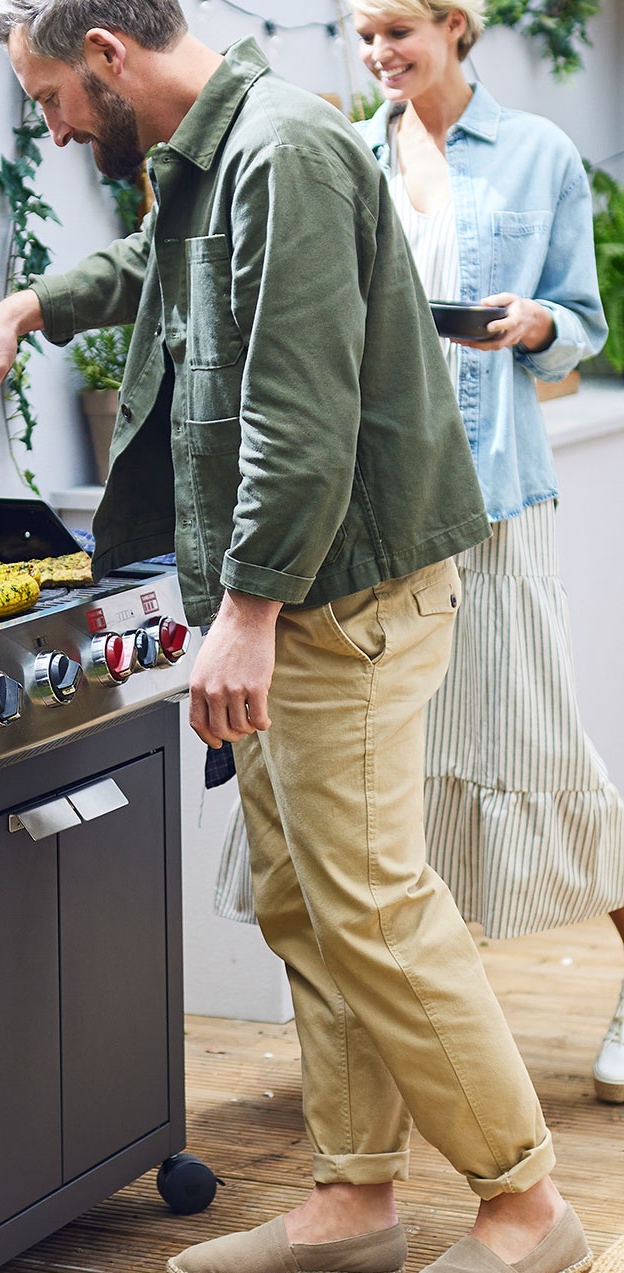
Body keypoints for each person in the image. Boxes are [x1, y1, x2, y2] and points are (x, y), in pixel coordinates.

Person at [0, 0, 591, 1273]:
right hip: (303, 600)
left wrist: (247, 613)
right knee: (306, 902)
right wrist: (27, 304)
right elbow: (151, 270)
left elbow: (299, 408)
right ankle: (355, 1203)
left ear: (111, 61)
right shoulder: (217, 155)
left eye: (55, 97)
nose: (55, 125)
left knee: (373, 901)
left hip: (338, 597)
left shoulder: (282, 151)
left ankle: (529, 1213)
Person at [214, 0, 624, 1106]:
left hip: (491, 496)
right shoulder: (347, 153)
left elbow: (582, 324)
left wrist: (533, 324)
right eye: (362, 38)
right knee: (393, 778)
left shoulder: (537, 153)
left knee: (544, 749)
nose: (379, 55)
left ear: (454, 25)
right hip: (377, 510)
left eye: (397, 31)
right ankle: (423, 1025)